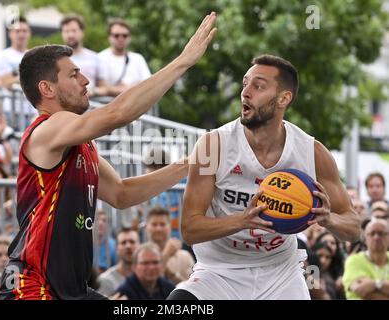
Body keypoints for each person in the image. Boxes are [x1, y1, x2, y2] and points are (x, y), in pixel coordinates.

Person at [0, 12, 217, 300]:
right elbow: (118, 113)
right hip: (32, 287)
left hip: (71, 289)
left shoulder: (81, 146)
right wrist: (183, 61)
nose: (86, 80)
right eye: (74, 75)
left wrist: (189, 164)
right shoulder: (47, 128)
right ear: (47, 88)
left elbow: (122, 194)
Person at [168, 54, 361, 300]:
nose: (245, 92)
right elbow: (190, 229)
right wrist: (242, 220)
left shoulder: (312, 152)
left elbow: (353, 228)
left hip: (280, 273)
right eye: (245, 83)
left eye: (257, 86)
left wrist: (328, 219)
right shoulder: (212, 145)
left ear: (284, 98)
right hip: (219, 271)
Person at [98, 18, 151, 97]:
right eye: (116, 35)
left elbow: (148, 84)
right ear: (109, 37)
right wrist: (133, 87)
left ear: (130, 37)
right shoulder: (100, 58)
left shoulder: (138, 59)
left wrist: (113, 89)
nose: (121, 38)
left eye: (125, 35)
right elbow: (102, 85)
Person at [60, 15, 109, 98]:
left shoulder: (95, 58)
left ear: (82, 32)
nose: (70, 35)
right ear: (62, 34)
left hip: (91, 105)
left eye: (74, 31)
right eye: (66, 31)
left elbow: (104, 88)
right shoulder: (56, 59)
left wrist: (93, 91)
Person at [145, 206, 195, 285]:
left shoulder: (185, 257)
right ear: (146, 227)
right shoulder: (138, 256)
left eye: (162, 224)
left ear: (170, 226)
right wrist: (166, 255)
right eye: (154, 224)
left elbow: (191, 289)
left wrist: (172, 276)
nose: (158, 229)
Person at [342, 218, 389, 299]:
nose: (376, 237)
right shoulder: (354, 261)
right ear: (365, 238)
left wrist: (376, 284)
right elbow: (360, 289)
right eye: (372, 233)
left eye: (381, 233)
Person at [97, 228, 140, 297]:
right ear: (116, 248)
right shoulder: (105, 280)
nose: (128, 246)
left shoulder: (148, 277)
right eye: (123, 243)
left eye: (132, 242)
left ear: (139, 246)